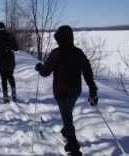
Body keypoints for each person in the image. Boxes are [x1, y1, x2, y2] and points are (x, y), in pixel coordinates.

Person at [35, 25, 98, 155]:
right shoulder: (78, 53)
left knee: (66, 115)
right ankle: (66, 131)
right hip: (75, 91)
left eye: (58, 39)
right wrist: (92, 89)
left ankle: (73, 147)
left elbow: (45, 72)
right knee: (67, 113)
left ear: (60, 39)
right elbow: (87, 71)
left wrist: (39, 67)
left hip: (61, 91)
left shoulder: (56, 53)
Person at [0, 22, 19, 103]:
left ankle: (5, 97)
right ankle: (14, 94)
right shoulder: (11, 36)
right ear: (4, 27)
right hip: (10, 60)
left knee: (4, 78)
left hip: (1, 61)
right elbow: (16, 48)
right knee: (10, 76)